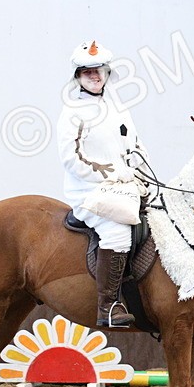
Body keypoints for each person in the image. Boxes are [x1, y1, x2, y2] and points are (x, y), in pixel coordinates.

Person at [56, 40, 146, 329]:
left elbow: (134, 144)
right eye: (88, 73)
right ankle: (108, 307)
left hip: (124, 184)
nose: (95, 77)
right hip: (89, 191)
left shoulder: (118, 108)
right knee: (117, 232)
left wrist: (141, 168)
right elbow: (70, 157)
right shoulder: (72, 112)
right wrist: (108, 175)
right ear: (78, 77)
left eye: (100, 71)